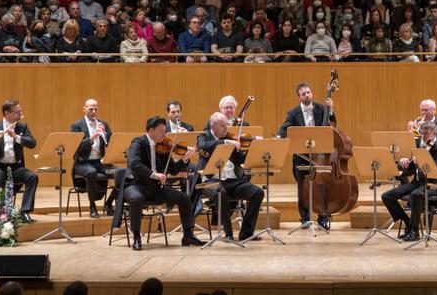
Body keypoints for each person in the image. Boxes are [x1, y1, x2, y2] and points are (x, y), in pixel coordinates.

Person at [122, 116, 203, 250]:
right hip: (136, 185)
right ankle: (136, 237)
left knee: (184, 198)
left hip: (155, 188)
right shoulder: (138, 142)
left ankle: (188, 235)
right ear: (151, 131)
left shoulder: (163, 146)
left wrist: (185, 159)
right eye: (161, 131)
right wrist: (154, 174)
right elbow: (134, 164)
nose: (164, 134)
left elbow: (172, 170)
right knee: (136, 198)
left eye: (165, 131)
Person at [196, 112, 264, 241]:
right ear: (213, 126)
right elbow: (202, 147)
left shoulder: (230, 138)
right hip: (210, 181)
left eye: (226, 125)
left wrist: (252, 147)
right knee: (220, 193)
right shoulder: (204, 137)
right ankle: (228, 234)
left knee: (257, 192)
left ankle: (246, 232)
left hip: (232, 181)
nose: (226, 128)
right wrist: (225, 142)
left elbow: (241, 159)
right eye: (222, 126)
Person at [276, 82, 335, 228]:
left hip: (320, 156)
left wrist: (331, 110)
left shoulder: (322, 108)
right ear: (299, 97)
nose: (307, 95)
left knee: (322, 187)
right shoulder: (293, 112)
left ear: (311, 93)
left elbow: (332, 125)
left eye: (308, 92)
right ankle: (305, 219)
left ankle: (322, 218)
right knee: (302, 188)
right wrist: (278, 137)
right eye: (303, 94)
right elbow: (286, 127)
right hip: (301, 156)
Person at [382, 121, 437, 242]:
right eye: (422, 134)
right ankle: (408, 223)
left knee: (415, 195)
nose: (423, 136)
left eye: (426, 133)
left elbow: (434, 173)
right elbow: (409, 172)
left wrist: (421, 162)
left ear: (434, 133)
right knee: (387, 196)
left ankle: (415, 231)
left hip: (434, 185)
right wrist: (405, 163)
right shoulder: (421, 148)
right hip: (417, 183)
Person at [0, 100, 38, 223]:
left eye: (21, 111)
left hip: (15, 168)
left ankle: (25, 212)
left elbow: (32, 143)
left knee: (32, 177)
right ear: (7, 113)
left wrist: (16, 137)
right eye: (17, 112)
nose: (20, 114)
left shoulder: (22, 127)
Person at [71, 99, 115, 218]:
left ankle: (109, 203)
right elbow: (75, 147)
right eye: (91, 109)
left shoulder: (103, 124)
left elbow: (111, 142)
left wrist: (105, 134)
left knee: (121, 173)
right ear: (84, 109)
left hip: (99, 161)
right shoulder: (77, 125)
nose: (94, 112)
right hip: (82, 162)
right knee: (91, 172)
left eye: (96, 109)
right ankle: (92, 206)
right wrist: (92, 137)